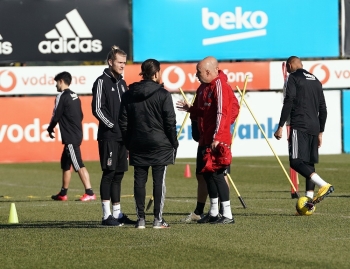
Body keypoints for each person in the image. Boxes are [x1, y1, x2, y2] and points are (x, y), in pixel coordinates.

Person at [177, 56, 239, 224]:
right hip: (207, 137)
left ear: (208, 71)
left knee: (218, 175)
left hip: (217, 138)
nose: (196, 75)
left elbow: (222, 112)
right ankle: (213, 212)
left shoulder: (220, 85)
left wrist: (218, 136)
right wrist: (191, 110)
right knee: (209, 174)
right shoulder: (205, 87)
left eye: (198, 72)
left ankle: (227, 214)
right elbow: (207, 112)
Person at [119, 59, 178, 229]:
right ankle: (158, 220)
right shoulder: (163, 94)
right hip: (160, 144)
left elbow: (122, 122)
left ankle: (141, 220)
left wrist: (128, 142)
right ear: (156, 73)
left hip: (137, 143)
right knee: (159, 182)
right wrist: (174, 142)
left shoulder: (129, 94)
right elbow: (170, 122)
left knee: (139, 180)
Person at [274, 56, 334, 206]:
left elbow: (289, 100)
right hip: (314, 127)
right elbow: (323, 109)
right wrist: (321, 131)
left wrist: (281, 125)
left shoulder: (293, 78)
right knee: (308, 164)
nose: (287, 71)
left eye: (287, 68)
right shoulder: (316, 80)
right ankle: (309, 203)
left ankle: (324, 184)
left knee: (295, 162)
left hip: (300, 124)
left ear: (290, 65)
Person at [91, 45, 135, 226]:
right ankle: (105, 215)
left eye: (124, 63)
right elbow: (97, 109)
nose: (123, 65)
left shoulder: (123, 84)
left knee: (119, 174)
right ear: (110, 62)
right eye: (119, 62)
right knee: (108, 173)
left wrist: (127, 129)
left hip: (123, 137)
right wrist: (112, 125)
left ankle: (117, 214)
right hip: (109, 136)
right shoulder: (101, 81)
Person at [48, 71, 96, 202]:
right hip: (76, 133)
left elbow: (56, 115)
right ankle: (63, 193)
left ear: (61, 81)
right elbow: (81, 115)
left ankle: (90, 192)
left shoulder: (61, 96)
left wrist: (50, 128)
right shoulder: (75, 95)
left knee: (78, 164)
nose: (56, 86)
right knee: (65, 163)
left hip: (70, 136)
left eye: (56, 82)